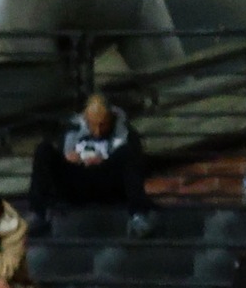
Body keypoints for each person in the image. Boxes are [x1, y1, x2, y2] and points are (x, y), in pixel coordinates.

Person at [29, 93, 153, 238]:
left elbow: (135, 162)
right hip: (77, 180)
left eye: (103, 125)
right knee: (43, 150)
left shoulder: (126, 133)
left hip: (107, 181)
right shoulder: (71, 130)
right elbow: (62, 156)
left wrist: (105, 160)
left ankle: (138, 216)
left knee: (127, 154)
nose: (97, 131)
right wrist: (69, 158)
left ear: (111, 118)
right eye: (93, 124)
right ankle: (38, 213)